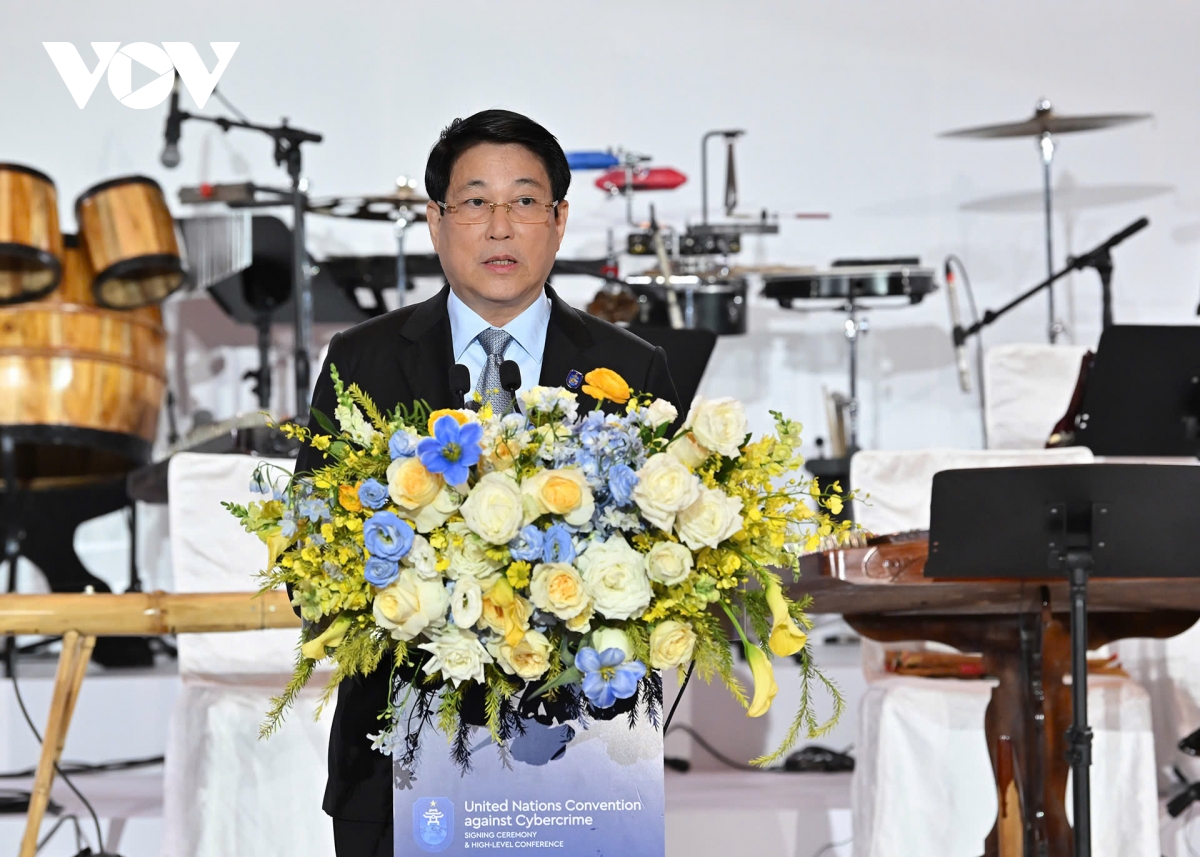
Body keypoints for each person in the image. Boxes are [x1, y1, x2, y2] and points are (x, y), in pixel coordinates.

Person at [295, 109, 680, 857]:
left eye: (525, 201)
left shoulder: (632, 369)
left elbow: (672, 570)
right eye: (475, 202)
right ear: (436, 221)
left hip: (582, 757)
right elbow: (310, 553)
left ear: (559, 220)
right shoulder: (362, 361)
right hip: (396, 758)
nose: (500, 227)